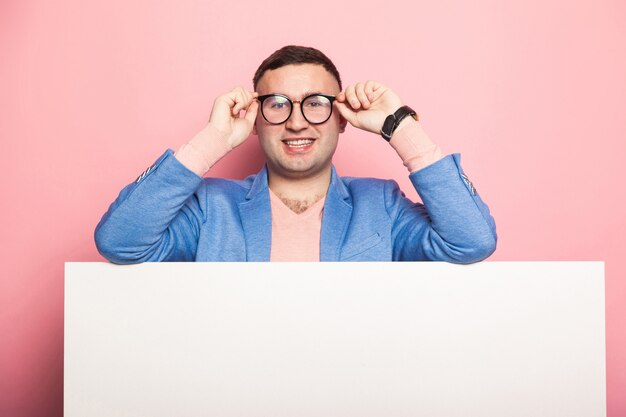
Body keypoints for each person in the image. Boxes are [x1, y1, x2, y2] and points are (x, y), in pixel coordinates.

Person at [94, 45, 496, 263]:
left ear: (341, 118)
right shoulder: (211, 208)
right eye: (279, 103)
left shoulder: (382, 204)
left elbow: (472, 242)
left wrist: (400, 125)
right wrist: (212, 140)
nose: (298, 122)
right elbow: (120, 243)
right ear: (255, 119)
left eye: (316, 103)